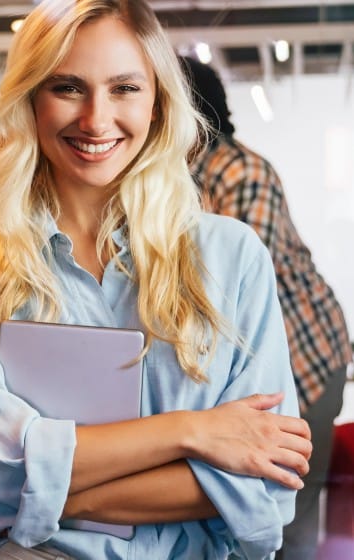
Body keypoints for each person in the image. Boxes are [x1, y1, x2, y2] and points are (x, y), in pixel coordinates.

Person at [0, 1, 313, 559]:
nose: (96, 119)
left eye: (125, 88)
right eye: (67, 87)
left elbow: (266, 485)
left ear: (157, 102)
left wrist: (42, 492)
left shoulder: (232, 256)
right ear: (30, 100)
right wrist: (192, 432)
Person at [181, 54, 352, 560]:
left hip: (305, 361)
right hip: (248, 369)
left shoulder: (241, 171)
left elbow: (229, 289)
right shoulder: (178, 175)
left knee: (286, 508)